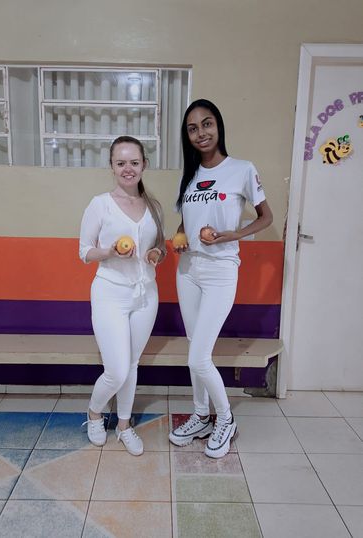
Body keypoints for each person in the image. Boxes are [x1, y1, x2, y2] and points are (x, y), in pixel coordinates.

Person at [169, 99, 273, 458]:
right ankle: (201, 415)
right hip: (188, 271)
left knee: (199, 357)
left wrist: (234, 234)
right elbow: (186, 220)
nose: (201, 133)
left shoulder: (242, 169)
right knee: (194, 349)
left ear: (218, 126)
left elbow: (266, 217)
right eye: (192, 128)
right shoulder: (189, 176)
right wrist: (179, 236)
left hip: (220, 271)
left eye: (207, 123)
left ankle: (226, 419)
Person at [79, 135, 165, 456]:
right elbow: (84, 251)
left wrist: (156, 253)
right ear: (112, 166)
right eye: (121, 163)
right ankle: (94, 413)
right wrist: (110, 252)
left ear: (144, 164)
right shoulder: (99, 204)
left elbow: (161, 246)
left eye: (134, 162)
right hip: (109, 294)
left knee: (131, 364)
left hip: (146, 295)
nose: (128, 168)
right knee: (116, 370)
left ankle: (124, 425)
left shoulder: (153, 206)